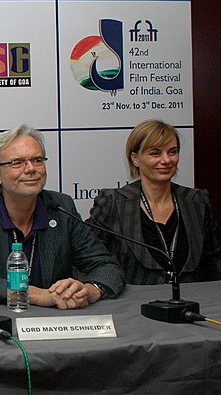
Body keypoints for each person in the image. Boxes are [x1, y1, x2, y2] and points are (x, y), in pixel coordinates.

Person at [0, 124, 124, 309]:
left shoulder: (61, 207)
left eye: (37, 160)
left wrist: (89, 291)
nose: (31, 169)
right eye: (17, 162)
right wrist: (35, 295)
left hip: (58, 322)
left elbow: (107, 266)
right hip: (0, 319)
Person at [88, 119, 221, 284]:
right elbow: (89, 260)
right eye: (155, 153)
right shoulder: (112, 202)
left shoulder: (197, 201)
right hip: (133, 305)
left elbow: (213, 262)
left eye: (172, 152)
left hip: (189, 303)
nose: (166, 160)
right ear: (135, 159)